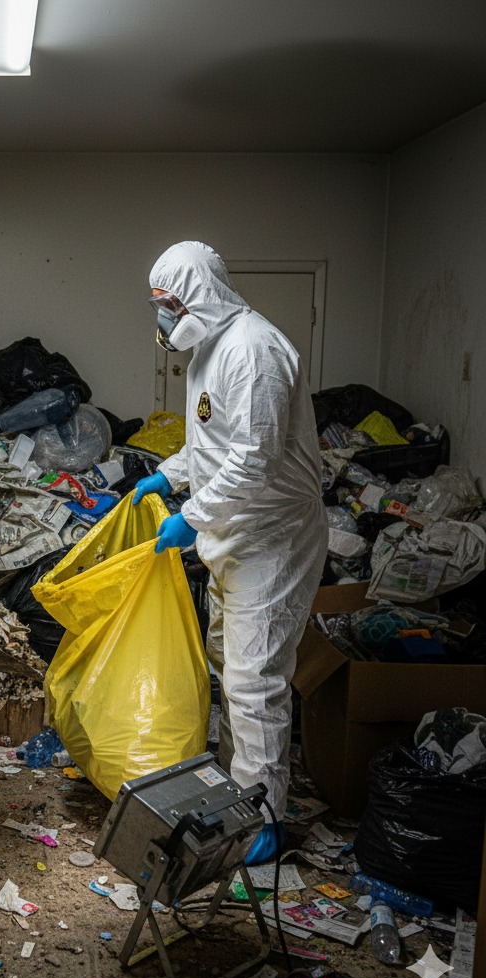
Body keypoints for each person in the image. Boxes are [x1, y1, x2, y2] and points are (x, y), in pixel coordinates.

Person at [133, 240, 328, 865]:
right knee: (228, 661)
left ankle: (264, 814)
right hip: (234, 536)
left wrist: (190, 517)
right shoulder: (207, 351)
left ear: (199, 297)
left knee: (254, 680)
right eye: (157, 303)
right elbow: (213, 444)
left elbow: (255, 460)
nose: (161, 316)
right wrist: (169, 473)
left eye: (169, 303)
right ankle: (233, 787)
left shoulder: (256, 350)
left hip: (272, 539)